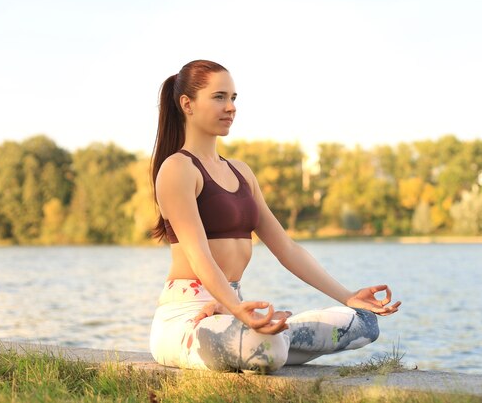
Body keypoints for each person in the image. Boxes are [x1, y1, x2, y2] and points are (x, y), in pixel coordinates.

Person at [149, 60, 401, 373]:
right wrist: (238, 309)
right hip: (187, 318)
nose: (230, 107)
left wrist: (348, 295)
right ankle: (263, 337)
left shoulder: (240, 171)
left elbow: (288, 249)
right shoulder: (178, 169)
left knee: (364, 324)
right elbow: (200, 257)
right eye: (219, 97)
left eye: (234, 98)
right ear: (187, 103)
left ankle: (268, 334)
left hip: (231, 311)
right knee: (265, 350)